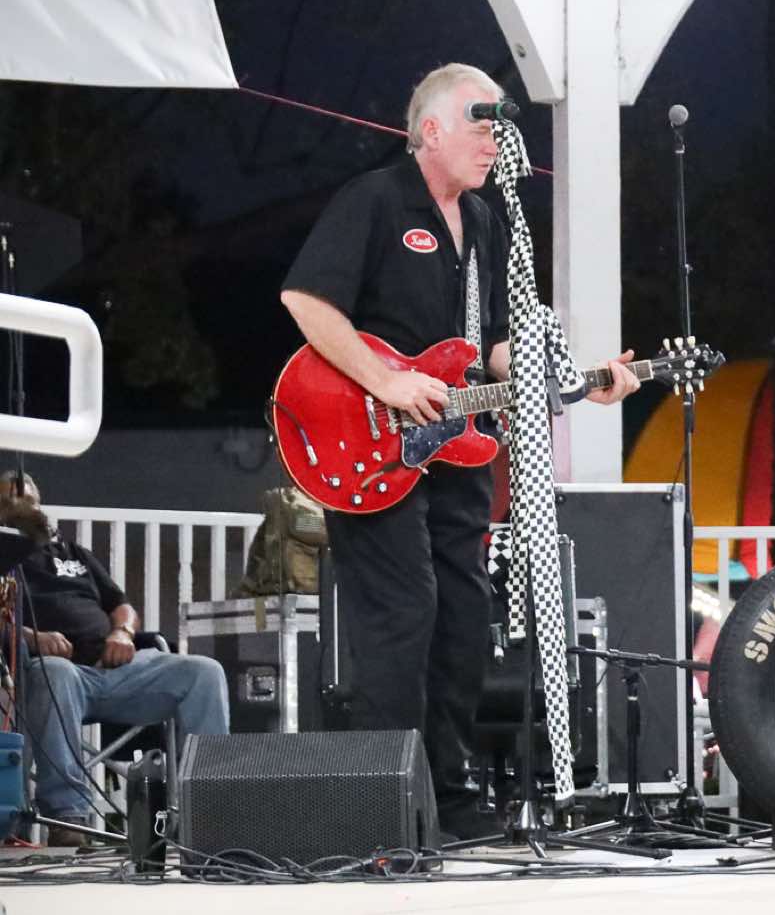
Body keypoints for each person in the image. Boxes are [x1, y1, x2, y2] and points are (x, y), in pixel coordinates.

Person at [279, 62, 639, 839]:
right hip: (371, 442)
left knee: (465, 612)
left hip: (457, 449)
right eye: (480, 120)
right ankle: (386, 800)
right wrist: (388, 380)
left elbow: (498, 348)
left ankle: (450, 793)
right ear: (430, 129)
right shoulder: (375, 199)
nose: (493, 138)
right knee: (404, 609)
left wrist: (581, 381)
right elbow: (306, 299)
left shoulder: (487, 222)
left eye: (499, 125)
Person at [3, 471, 229, 838]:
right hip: (55, 676)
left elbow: (121, 606)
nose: (23, 506)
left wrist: (122, 632)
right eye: (10, 500)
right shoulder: (5, 559)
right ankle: (68, 817)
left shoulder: (75, 554)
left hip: (118, 667)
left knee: (204, 672)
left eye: (28, 498)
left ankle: (209, 813)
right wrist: (31, 637)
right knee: (56, 671)